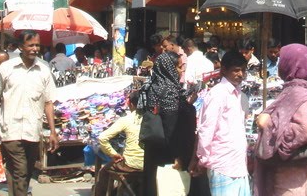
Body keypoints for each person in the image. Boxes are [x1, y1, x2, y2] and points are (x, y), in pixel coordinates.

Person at [0, 30, 58, 196]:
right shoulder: (6, 68)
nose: (34, 49)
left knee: (18, 171)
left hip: (33, 131)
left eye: (37, 45)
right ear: (20, 47)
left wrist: (53, 132)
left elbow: (48, 103)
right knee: (21, 170)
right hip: (10, 130)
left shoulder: (44, 70)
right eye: (30, 45)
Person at [254, 44, 307, 196]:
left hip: (294, 182)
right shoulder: (300, 89)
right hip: (294, 177)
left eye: (282, 59)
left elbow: (306, 129)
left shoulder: (299, 92)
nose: (280, 63)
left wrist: (268, 124)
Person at [190, 50, 251, 196]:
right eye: (236, 70)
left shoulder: (241, 97)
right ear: (224, 70)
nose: (240, 74)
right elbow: (206, 129)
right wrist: (202, 159)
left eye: (243, 70)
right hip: (222, 165)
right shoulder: (217, 94)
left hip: (239, 165)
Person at [142, 51, 194, 196]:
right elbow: (172, 126)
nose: (181, 70)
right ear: (169, 68)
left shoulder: (152, 87)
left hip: (153, 149)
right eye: (178, 67)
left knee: (154, 186)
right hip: (168, 153)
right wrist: (179, 155)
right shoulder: (170, 91)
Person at [95, 90, 144, 195]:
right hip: (149, 164)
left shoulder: (126, 119)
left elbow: (102, 138)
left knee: (103, 172)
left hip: (130, 165)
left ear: (130, 103)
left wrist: (113, 154)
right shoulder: (153, 118)